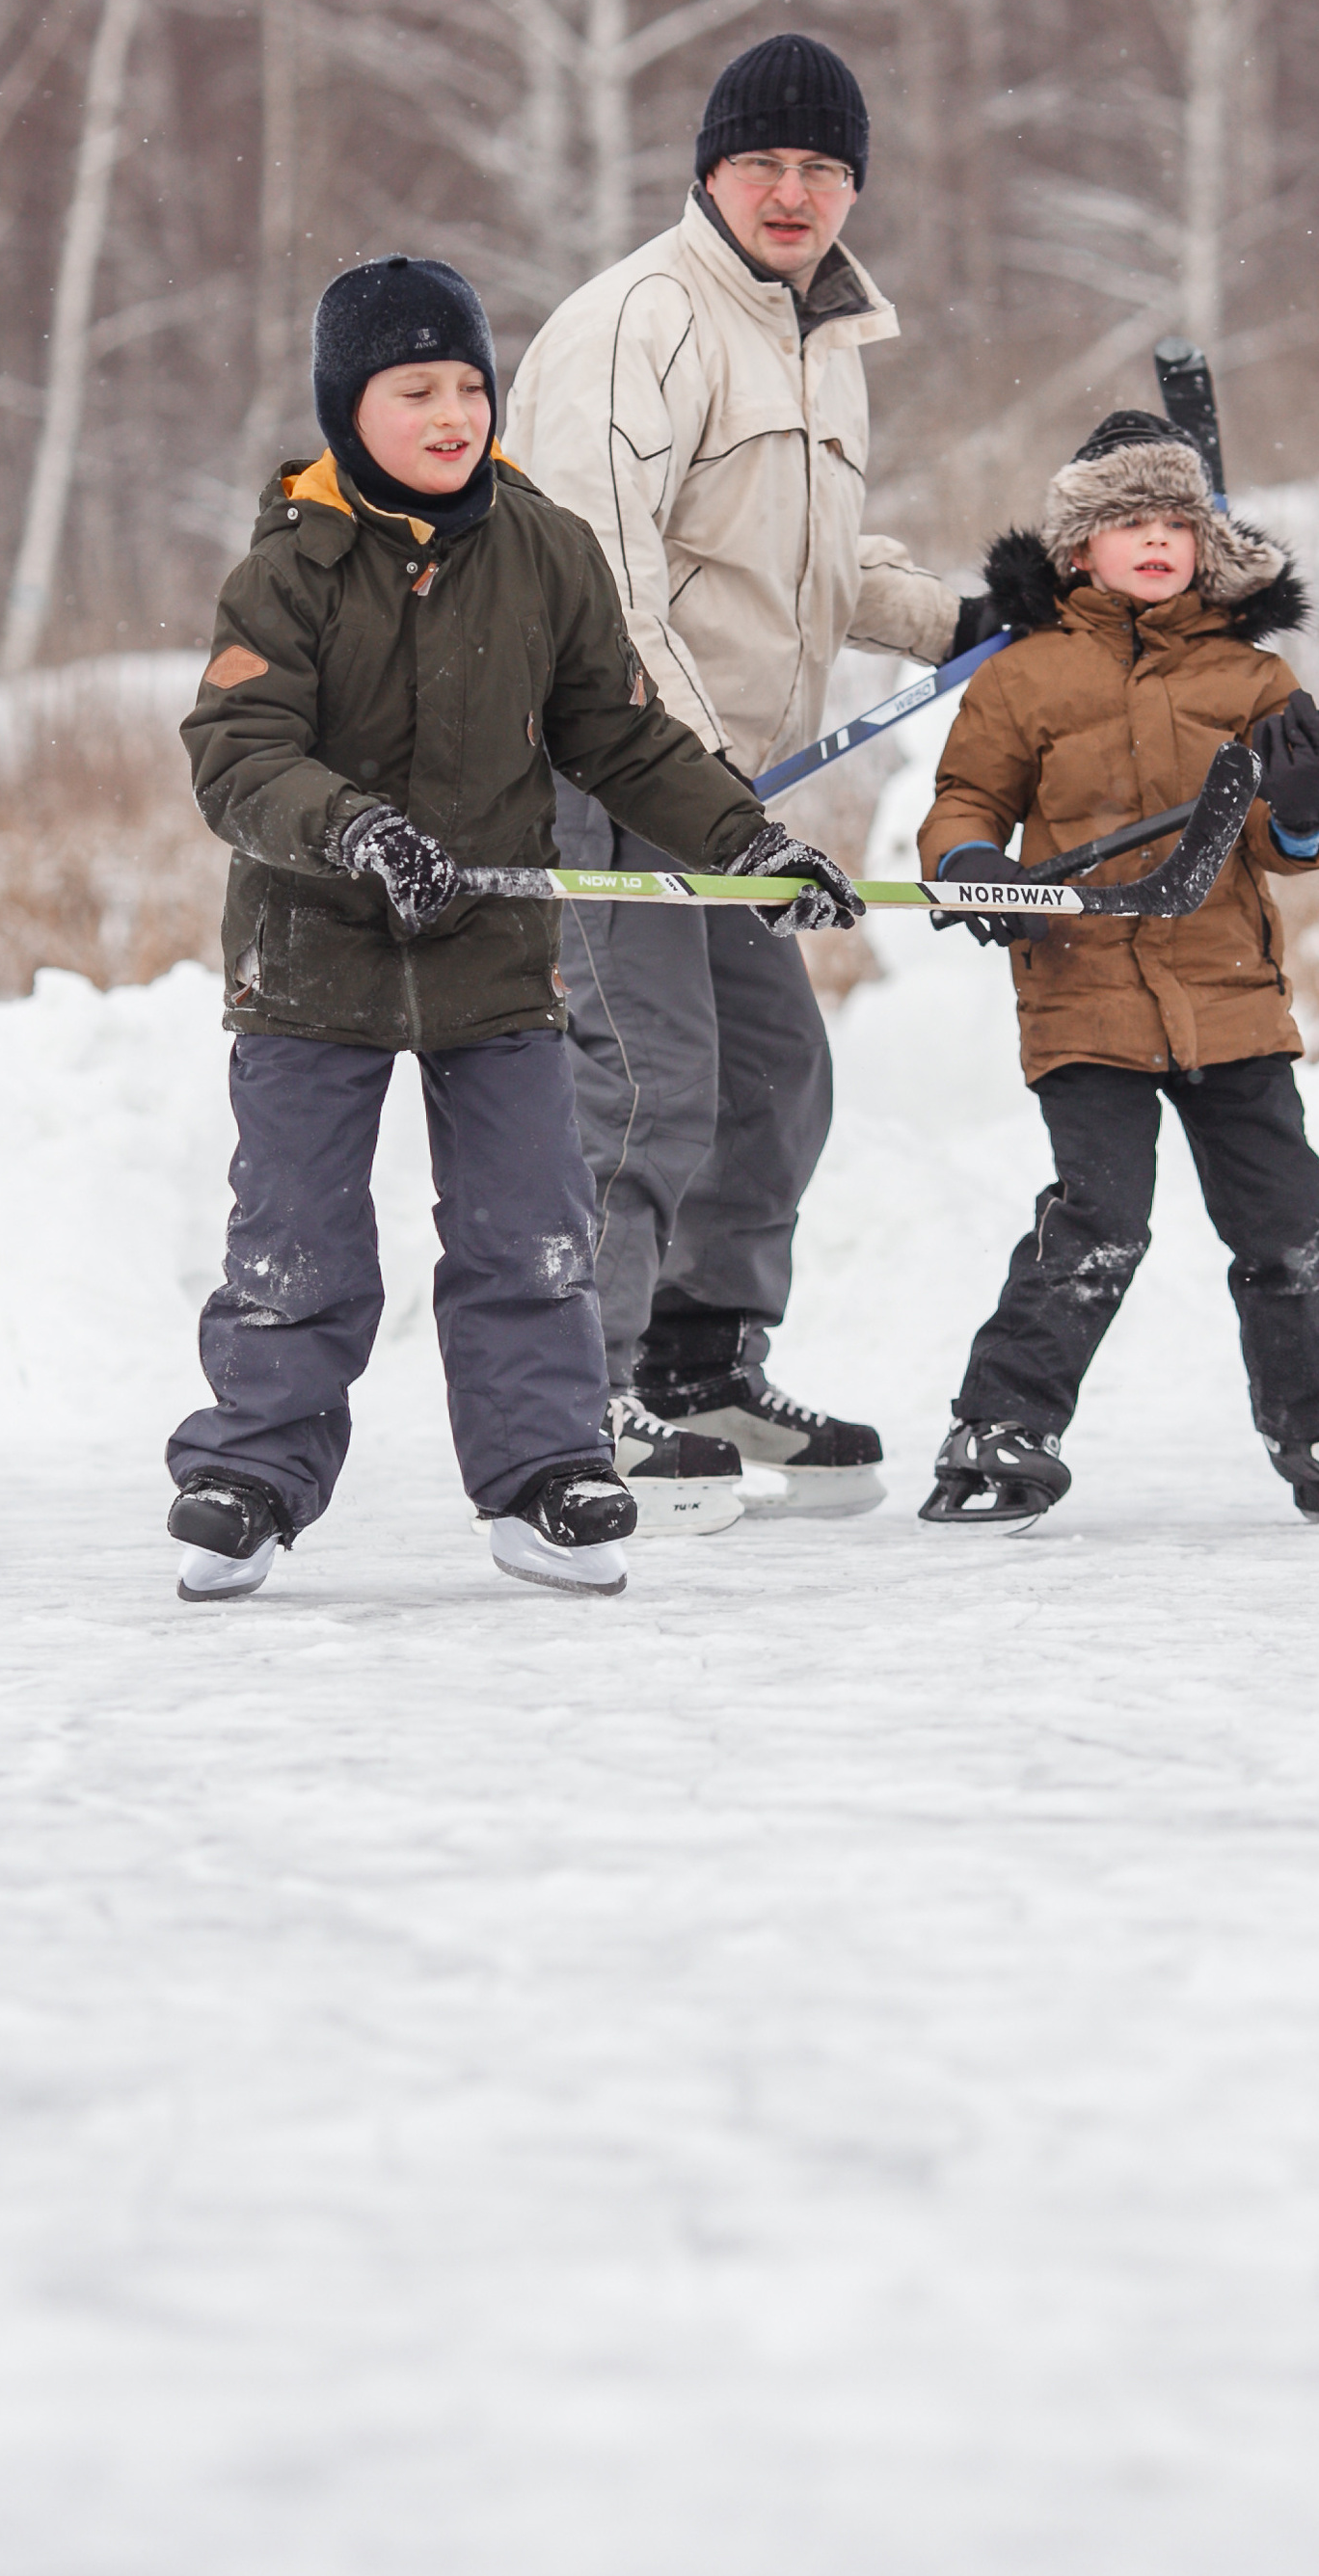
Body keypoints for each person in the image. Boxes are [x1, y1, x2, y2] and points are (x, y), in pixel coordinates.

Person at [163, 253, 861, 1605]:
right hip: (317, 960)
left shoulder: (543, 549)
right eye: (414, 388)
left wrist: (747, 846)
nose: (453, 414)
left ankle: (548, 1469)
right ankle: (250, 1469)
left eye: (470, 385)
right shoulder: (290, 569)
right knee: (296, 1239)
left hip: (493, 963)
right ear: (345, 406)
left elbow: (620, 733)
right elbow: (237, 755)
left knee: (532, 1235)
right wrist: (354, 829)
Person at [503, 34, 991, 1526]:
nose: (794, 191)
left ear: (854, 184)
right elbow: (599, 571)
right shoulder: (636, 322)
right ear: (708, 171)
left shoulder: (814, 336)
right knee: (645, 1081)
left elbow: (810, 566)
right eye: (764, 162)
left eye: (823, 166)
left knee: (775, 1075)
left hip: (720, 795)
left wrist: (972, 618)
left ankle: (703, 1359)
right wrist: (688, 773)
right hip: (606, 767)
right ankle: (576, 1396)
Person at [913, 411, 1319, 1530]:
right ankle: (998, 1425)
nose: (1155, 541)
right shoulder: (1023, 679)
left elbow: (1284, 852)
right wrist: (968, 868)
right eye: (1127, 522)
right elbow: (965, 803)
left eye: (1174, 523)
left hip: (1229, 1001)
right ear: (1076, 550)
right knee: (1098, 1225)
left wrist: (1303, 808)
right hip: (1084, 994)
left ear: (1206, 542)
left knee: (1291, 1222)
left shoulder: (1253, 678)